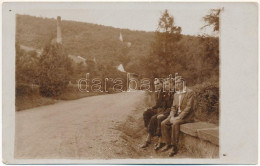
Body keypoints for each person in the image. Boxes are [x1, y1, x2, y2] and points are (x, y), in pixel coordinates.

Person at [159, 76, 195, 156]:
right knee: (163, 123)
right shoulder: (176, 94)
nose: (178, 85)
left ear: (184, 83)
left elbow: (189, 107)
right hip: (176, 116)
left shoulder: (190, 92)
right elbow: (173, 107)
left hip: (187, 117)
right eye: (176, 83)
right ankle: (167, 144)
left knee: (175, 123)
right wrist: (171, 116)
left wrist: (179, 117)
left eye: (179, 83)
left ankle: (174, 147)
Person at [141, 79, 174, 148]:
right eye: (155, 84)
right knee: (146, 113)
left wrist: (161, 112)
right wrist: (151, 108)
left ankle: (149, 138)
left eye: (158, 83)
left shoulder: (165, 92)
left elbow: (166, 106)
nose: (157, 85)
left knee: (154, 118)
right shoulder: (158, 92)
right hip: (161, 110)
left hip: (165, 110)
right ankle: (151, 132)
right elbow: (158, 104)